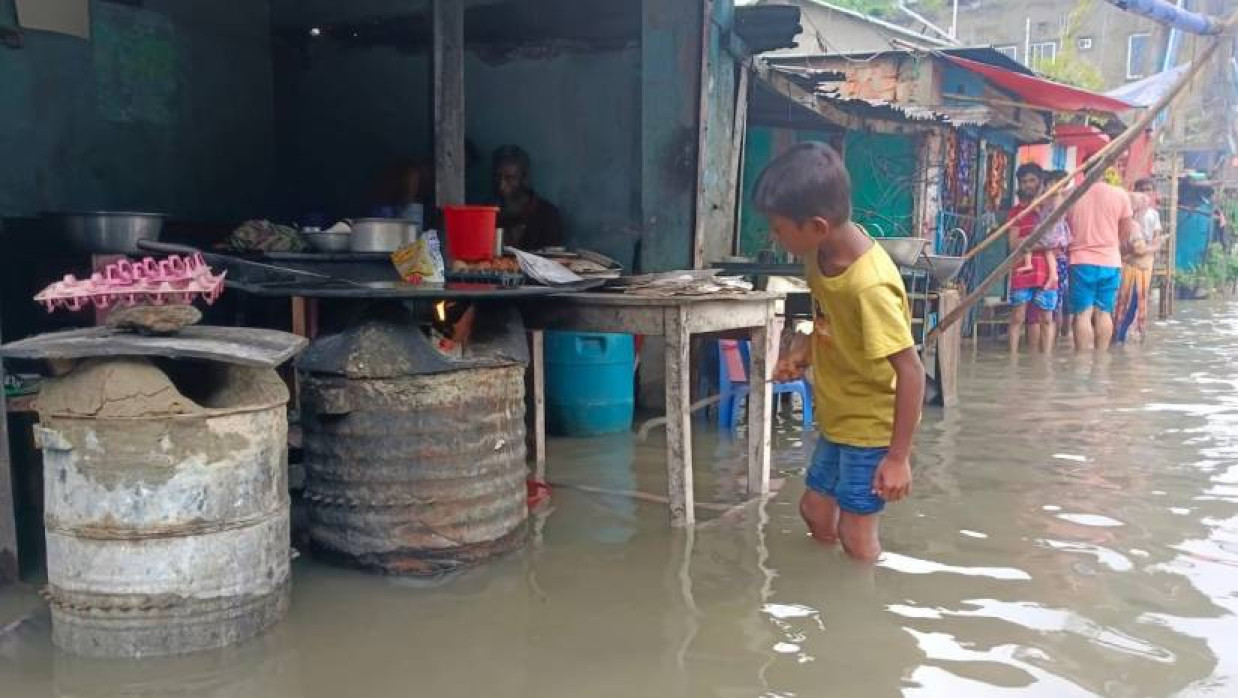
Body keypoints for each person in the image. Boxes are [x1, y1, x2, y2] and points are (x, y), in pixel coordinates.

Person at [756, 142, 925, 562]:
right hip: (837, 417)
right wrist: (800, 352)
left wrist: (898, 458)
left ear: (816, 225)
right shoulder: (822, 255)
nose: (773, 238)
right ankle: (826, 594)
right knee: (814, 511)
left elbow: (912, 371)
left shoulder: (869, 287)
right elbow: (827, 322)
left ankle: (862, 614)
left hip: (869, 428)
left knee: (857, 536)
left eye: (778, 229)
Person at [1067, 173, 1135, 351]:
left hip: (1080, 260)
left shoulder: (1071, 194)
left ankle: (1081, 362)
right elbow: (1126, 232)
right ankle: (1101, 360)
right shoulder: (1120, 194)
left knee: (1083, 313)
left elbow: (1064, 227)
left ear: (1084, 171)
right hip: (1110, 260)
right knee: (1104, 312)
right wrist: (1112, 245)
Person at [1006, 163, 1060, 354]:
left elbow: (1055, 242)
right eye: (1024, 181)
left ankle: (1044, 362)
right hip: (1023, 271)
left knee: (1046, 318)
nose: (1028, 185)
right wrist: (1039, 243)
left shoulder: (1050, 209)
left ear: (1040, 183)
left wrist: (1030, 243)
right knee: (1017, 317)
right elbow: (1013, 244)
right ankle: (1012, 360)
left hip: (1047, 271)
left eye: (1032, 181)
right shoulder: (1016, 212)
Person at [1115, 182, 1166, 342]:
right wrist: (1154, 246)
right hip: (1131, 259)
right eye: (1142, 191)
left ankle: (1131, 334)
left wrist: (1152, 247)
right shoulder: (1127, 218)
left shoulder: (1153, 214)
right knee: (1124, 298)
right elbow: (1132, 246)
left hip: (1143, 261)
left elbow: (1156, 236)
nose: (1145, 194)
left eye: (1148, 190)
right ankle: (1120, 334)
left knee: (1140, 297)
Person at [493, 145, 563, 250]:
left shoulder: (548, 214)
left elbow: (554, 259)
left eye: (510, 178)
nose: (501, 185)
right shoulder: (490, 212)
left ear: (524, 178)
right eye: (498, 177)